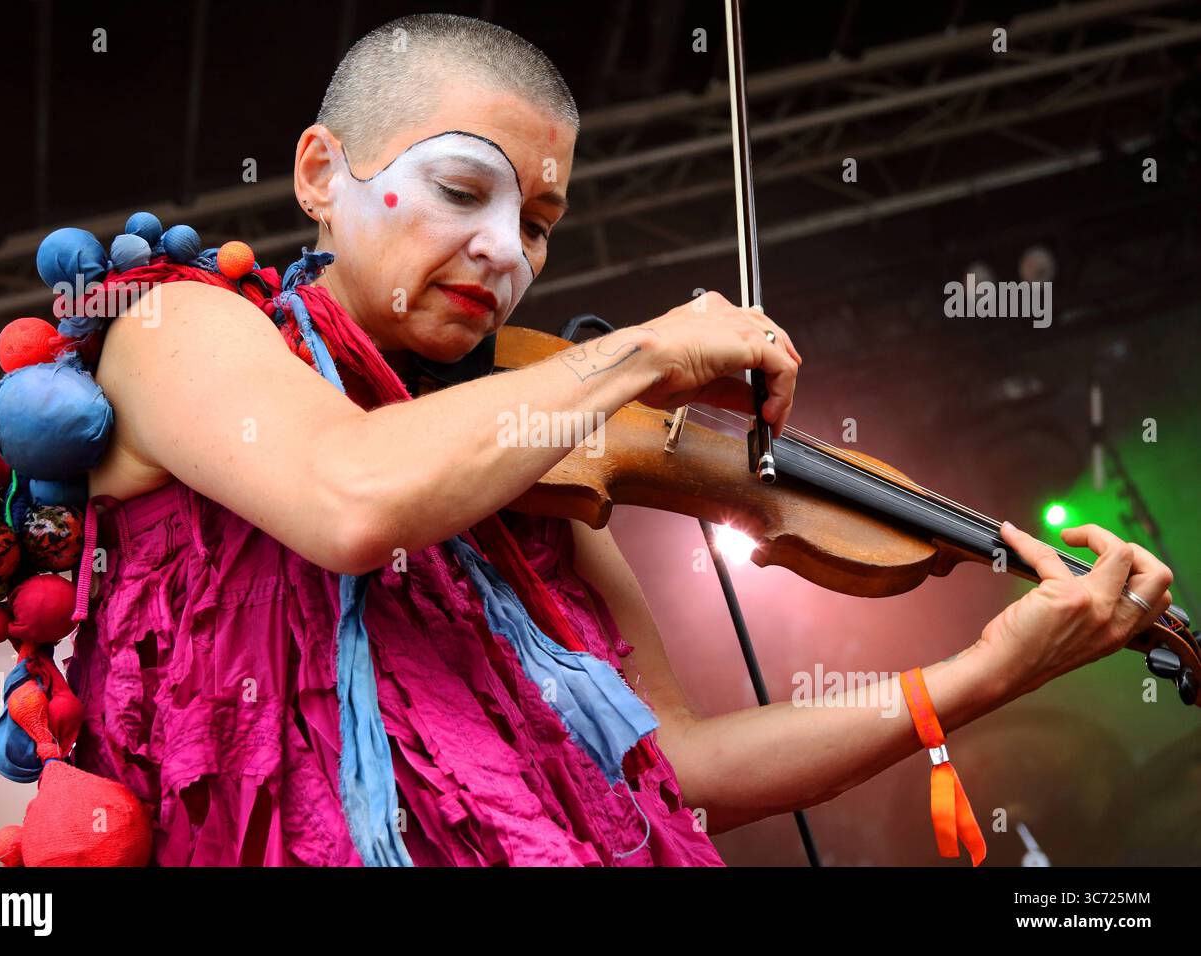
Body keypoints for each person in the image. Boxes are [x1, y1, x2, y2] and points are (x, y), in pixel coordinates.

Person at [69, 13, 1175, 866]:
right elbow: (348, 497)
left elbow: (675, 769)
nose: (504, 252)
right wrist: (642, 351)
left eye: (539, 226)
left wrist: (979, 673)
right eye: (462, 190)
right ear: (319, 173)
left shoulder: (537, 460)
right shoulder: (177, 321)